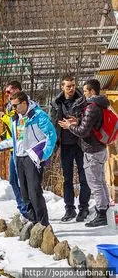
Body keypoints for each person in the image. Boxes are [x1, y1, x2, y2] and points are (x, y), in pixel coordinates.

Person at [0, 91, 57, 226]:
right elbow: (16, 138)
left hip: (32, 157)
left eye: (15, 106)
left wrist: (44, 154)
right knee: (24, 192)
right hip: (18, 156)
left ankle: (43, 223)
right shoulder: (16, 117)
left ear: (24, 103)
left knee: (34, 191)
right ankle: (33, 219)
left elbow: (51, 135)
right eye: (11, 106)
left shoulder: (37, 115)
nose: (12, 109)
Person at [59, 79, 111, 227]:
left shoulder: (91, 107)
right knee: (100, 181)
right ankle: (105, 209)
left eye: (86, 90)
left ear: (92, 91)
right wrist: (78, 121)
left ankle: (101, 214)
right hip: (100, 148)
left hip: (92, 150)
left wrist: (70, 126)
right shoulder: (101, 104)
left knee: (94, 183)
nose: (84, 93)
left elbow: (83, 132)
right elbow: (91, 124)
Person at [50, 76, 90, 222]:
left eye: (73, 85)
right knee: (67, 179)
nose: (71, 88)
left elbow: (90, 119)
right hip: (65, 145)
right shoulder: (56, 103)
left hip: (81, 144)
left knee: (84, 178)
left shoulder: (83, 101)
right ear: (62, 87)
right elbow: (51, 123)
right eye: (68, 86)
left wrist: (77, 121)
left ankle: (84, 208)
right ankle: (69, 209)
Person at [0, 81, 28, 218]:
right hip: (12, 147)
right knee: (13, 180)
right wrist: (2, 137)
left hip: (21, 149)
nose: (7, 94)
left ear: (17, 90)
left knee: (21, 181)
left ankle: (27, 208)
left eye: (10, 91)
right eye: (6, 92)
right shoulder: (9, 107)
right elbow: (11, 130)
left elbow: (16, 123)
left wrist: (3, 117)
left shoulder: (22, 107)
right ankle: (22, 207)